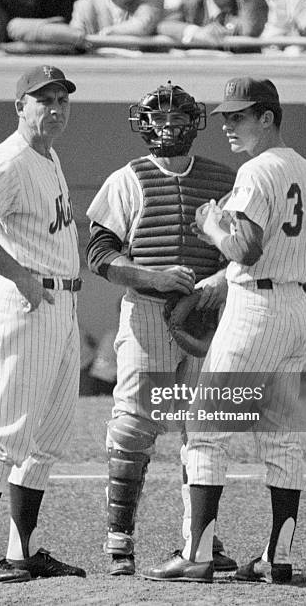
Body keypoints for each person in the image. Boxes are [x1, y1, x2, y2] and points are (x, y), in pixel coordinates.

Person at [144, 76, 306, 584]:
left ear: (268, 117)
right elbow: (270, 253)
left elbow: (245, 249)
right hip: (297, 309)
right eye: (225, 115)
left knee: (205, 430)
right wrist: (220, 276)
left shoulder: (256, 169)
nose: (227, 124)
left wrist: (209, 224)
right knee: (282, 438)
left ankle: (198, 555)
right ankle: (278, 557)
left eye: (239, 116)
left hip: (257, 309)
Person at [86, 81, 236, 576]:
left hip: (208, 314)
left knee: (206, 425)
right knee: (135, 420)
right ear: (143, 123)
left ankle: (201, 541)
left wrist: (219, 278)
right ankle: (119, 539)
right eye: (159, 117)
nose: (168, 124)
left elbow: (244, 246)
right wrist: (153, 276)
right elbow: (100, 255)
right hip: (147, 310)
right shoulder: (126, 179)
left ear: (195, 123)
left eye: (178, 117)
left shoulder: (224, 178)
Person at [0, 65, 86, 583]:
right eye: (43, 99)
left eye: (61, 99)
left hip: (59, 305)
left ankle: (21, 550)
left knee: (47, 437)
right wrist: (23, 277)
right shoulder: (10, 159)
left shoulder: (47, 155)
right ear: (20, 107)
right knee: (5, 433)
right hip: (25, 302)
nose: (55, 108)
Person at [157, 0, 268, 47]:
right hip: (197, 73)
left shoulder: (247, 4)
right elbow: (163, 25)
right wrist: (196, 32)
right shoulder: (192, 4)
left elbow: (251, 29)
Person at [69, 0, 163, 36]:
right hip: (95, 68)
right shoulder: (85, 4)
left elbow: (143, 25)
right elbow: (73, 37)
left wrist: (110, 31)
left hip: (141, 69)